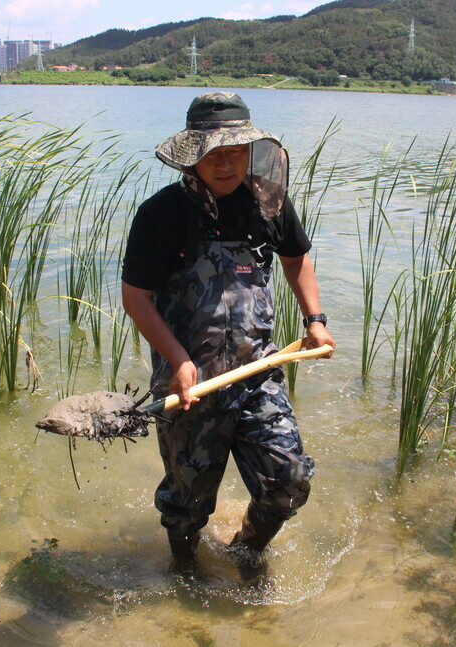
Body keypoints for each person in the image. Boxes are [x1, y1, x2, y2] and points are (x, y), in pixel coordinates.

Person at [121, 92, 335, 569]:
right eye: (214, 153)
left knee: (289, 481)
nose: (226, 164)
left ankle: (246, 552)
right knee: (186, 504)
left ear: (251, 151)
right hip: (189, 384)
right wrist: (178, 362)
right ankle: (185, 573)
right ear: (193, 153)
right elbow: (136, 299)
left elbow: (296, 259)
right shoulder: (161, 215)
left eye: (235, 151)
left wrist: (314, 320)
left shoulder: (268, 203)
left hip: (260, 371)